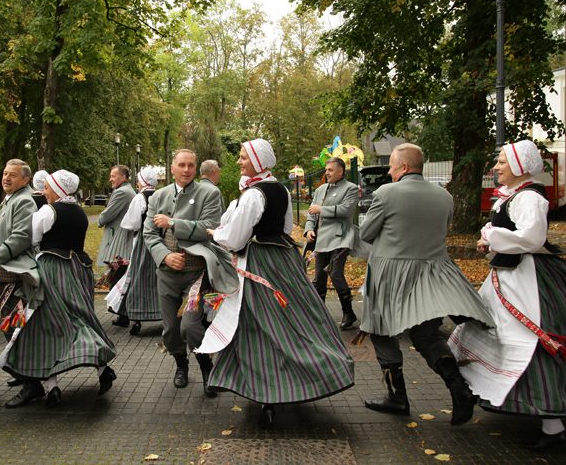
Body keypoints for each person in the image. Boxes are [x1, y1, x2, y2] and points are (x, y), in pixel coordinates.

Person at [199, 138, 355, 427]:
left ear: (258, 161)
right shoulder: (280, 189)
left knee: (258, 325)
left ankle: (267, 392)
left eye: (244, 157)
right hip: (284, 263)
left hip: (258, 264)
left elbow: (234, 238)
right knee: (293, 321)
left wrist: (213, 233)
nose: (239, 161)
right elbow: (285, 229)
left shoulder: (253, 195)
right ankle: (297, 381)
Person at [359, 143, 496, 426]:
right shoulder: (444, 196)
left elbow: (367, 233)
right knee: (426, 336)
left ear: (404, 167)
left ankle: (397, 398)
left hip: (390, 274)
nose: (389, 170)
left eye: (392, 166)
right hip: (432, 275)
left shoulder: (386, 193)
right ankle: (458, 389)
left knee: (382, 332)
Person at [449, 140, 566, 451]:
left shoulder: (529, 197)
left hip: (529, 282)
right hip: (510, 278)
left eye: (501, 162)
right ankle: (484, 393)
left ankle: (554, 427)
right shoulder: (512, 197)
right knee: (494, 334)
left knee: (531, 343)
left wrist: (492, 236)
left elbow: (532, 237)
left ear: (519, 166)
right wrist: (490, 242)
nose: (496, 167)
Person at [1, 170, 117, 408]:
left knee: (47, 324)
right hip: (78, 269)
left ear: (57, 189)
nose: (44, 192)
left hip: (52, 270)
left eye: (47, 188)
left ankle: (50, 384)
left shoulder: (48, 211)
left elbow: (32, 238)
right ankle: (101, 367)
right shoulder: (79, 212)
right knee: (81, 317)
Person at [143, 149, 239, 398]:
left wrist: (174, 223)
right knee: (170, 329)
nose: (186, 170)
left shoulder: (209, 193)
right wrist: (165, 255)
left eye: (191, 166)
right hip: (167, 274)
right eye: (182, 165)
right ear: (172, 168)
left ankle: (207, 368)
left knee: (190, 326)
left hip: (197, 273)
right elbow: (149, 233)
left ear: (196, 169)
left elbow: (210, 228)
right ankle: (180, 365)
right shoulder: (158, 196)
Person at [0, 158, 37, 387]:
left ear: (25, 179)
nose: (6, 178)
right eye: (5, 173)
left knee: (15, 328)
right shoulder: (11, 198)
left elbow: (20, 238)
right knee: (10, 325)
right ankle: (21, 371)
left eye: (12, 175)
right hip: (5, 273)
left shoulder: (24, 200)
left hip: (15, 275)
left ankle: (31, 381)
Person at [304, 157, 359, 330]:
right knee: (319, 277)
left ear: (341, 171)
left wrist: (322, 210)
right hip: (321, 239)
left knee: (335, 274)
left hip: (341, 238)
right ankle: (318, 314)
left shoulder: (351, 188)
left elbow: (346, 210)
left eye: (330, 170)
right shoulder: (320, 190)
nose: (326, 172)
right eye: (326, 169)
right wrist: (309, 229)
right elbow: (311, 213)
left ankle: (348, 312)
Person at [105, 166, 161, 336]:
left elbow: (131, 223)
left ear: (143, 181)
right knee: (159, 278)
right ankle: (161, 311)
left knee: (138, 277)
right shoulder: (161, 195)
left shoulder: (140, 197)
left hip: (143, 242)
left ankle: (137, 315)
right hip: (160, 242)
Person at [96, 165, 136, 327]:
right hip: (122, 239)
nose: (111, 179)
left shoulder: (122, 192)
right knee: (118, 274)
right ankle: (121, 313)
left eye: (114, 176)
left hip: (118, 240)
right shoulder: (128, 191)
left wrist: (99, 220)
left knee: (118, 275)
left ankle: (122, 313)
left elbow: (108, 213)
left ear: (124, 177)